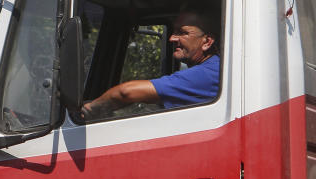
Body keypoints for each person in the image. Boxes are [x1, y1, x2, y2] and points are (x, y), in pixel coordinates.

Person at [81, 10, 220, 119]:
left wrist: (90, 109)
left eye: (182, 32)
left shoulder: (208, 74)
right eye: (174, 31)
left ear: (207, 41)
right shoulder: (215, 67)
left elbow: (126, 92)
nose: (172, 38)